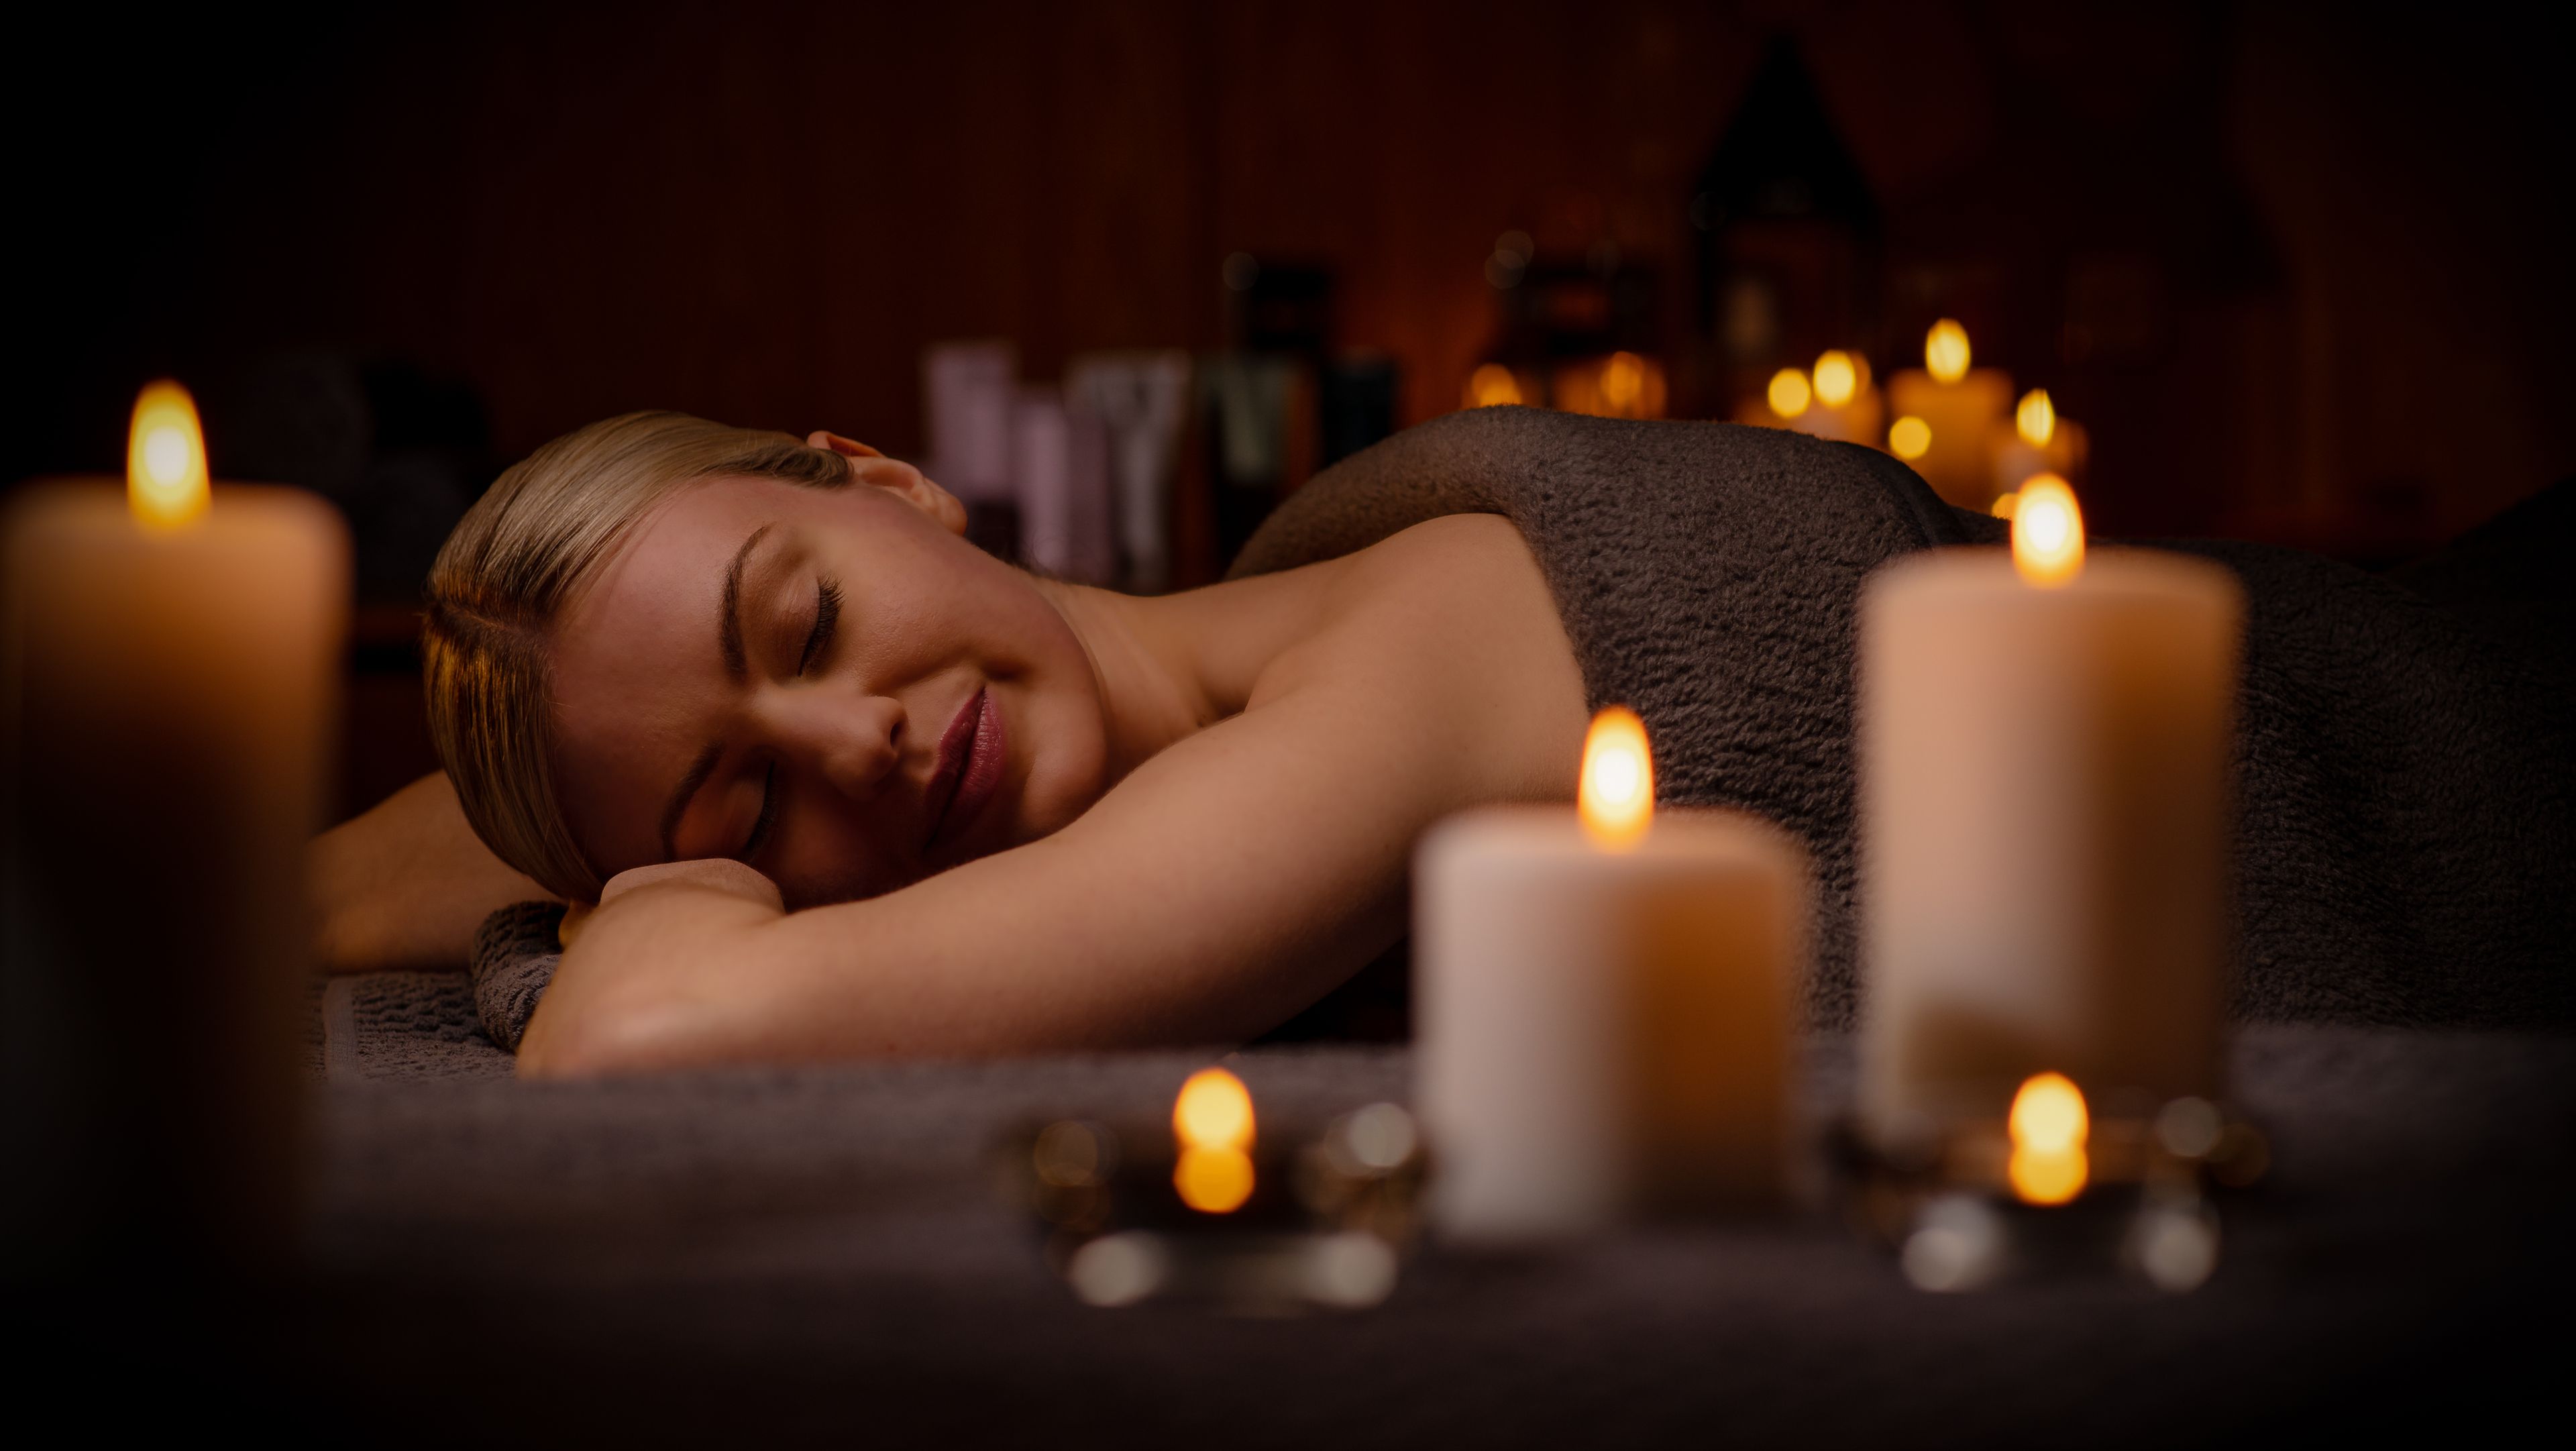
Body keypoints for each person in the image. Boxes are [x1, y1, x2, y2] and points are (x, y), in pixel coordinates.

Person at [310, 411, 1590, 1075]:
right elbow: (331, 894)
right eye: (752, 817)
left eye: (809, 627)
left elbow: (638, 1026)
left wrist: (681, 886)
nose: (859, 744)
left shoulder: (1437, 633)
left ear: (888, 483)